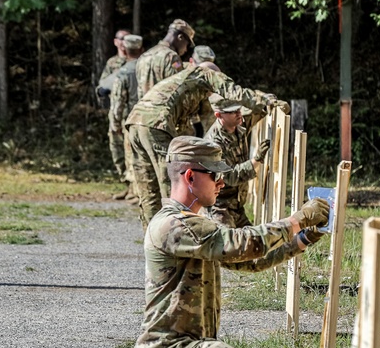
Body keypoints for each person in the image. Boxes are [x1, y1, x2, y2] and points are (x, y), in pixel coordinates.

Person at [119, 136, 331, 348]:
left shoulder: (193, 224)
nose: (221, 183)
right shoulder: (174, 226)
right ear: (190, 177)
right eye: (215, 175)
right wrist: (296, 220)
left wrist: (301, 241)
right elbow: (242, 243)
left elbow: (247, 261)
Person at [126, 62, 289, 228]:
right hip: (156, 124)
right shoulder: (205, 74)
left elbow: (202, 119)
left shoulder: (186, 81)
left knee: (149, 190)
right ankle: (176, 237)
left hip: (135, 122)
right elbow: (235, 92)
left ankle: (152, 241)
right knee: (173, 183)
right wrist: (266, 102)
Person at [201, 94, 270, 228]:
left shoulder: (237, 125)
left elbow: (258, 110)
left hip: (237, 207)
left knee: (254, 242)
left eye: (238, 109)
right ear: (218, 115)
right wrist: (256, 160)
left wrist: (271, 102)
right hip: (219, 209)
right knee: (229, 246)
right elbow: (229, 176)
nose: (238, 114)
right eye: (232, 111)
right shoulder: (213, 143)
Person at [109, 34, 143, 200]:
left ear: (126, 49)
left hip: (130, 119)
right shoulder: (148, 67)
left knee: (131, 156)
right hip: (148, 119)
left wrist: (115, 123)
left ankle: (135, 192)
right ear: (141, 49)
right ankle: (134, 190)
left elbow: (118, 101)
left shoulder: (124, 71)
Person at [135, 19, 194, 96]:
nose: (186, 49)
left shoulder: (144, 56)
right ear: (180, 37)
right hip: (163, 107)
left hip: (142, 107)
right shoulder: (173, 58)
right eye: (187, 44)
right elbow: (177, 88)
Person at [96, 29, 130, 108]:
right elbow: (102, 86)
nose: (125, 42)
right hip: (118, 108)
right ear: (116, 42)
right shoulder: (112, 63)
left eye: (128, 39)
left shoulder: (138, 61)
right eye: (122, 39)